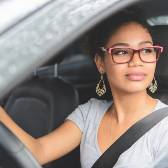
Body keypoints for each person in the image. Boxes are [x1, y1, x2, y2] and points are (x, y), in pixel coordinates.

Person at [0, 9, 167, 168]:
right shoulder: (89, 113)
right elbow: (39, 151)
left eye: (146, 50)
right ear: (100, 63)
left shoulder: (164, 128)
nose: (136, 61)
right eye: (121, 52)